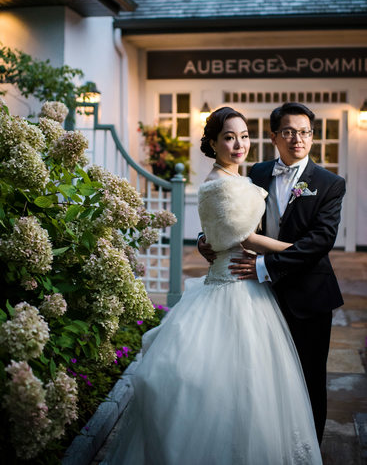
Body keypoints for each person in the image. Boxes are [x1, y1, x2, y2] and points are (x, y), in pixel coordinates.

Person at [105, 106, 322, 465]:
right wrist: (296, 250)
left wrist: (209, 237)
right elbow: (242, 235)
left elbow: (221, 227)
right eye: (229, 136)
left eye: (244, 136)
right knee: (225, 383)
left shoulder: (249, 176)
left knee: (263, 387)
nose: (239, 144)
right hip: (234, 282)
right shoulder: (219, 182)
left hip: (254, 283)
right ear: (212, 142)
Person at [199, 102, 345, 445]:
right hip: (260, 298)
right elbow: (230, 215)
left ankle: (309, 450)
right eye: (289, 132)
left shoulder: (330, 183)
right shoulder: (255, 171)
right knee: (265, 380)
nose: (298, 139)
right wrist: (206, 240)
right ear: (274, 136)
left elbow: (321, 241)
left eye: (305, 132)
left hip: (308, 297)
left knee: (309, 382)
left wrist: (263, 266)